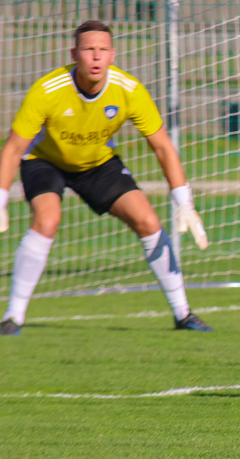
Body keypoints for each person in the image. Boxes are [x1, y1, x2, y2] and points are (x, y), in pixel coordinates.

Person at [0, 20, 211, 335]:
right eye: (88, 50)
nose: (96, 57)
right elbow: (14, 147)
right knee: (47, 221)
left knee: (149, 222)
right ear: (74, 53)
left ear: (113, 54)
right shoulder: (47, 90)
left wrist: (184, 202)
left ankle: (183, 314)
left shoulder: (129, 91)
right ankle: (13, 317)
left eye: (102, 50)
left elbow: (163, 147)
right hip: (45, 161)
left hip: (98, 163)